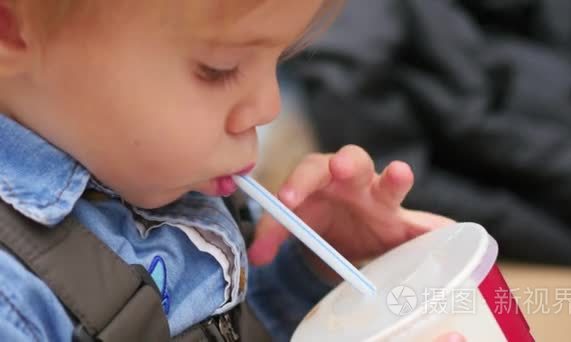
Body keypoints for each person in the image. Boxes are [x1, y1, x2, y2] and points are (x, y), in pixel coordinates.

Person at [0, 1, 462, 341]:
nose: (268, 106)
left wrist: (307, 273)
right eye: (219, 69)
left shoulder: (150, 170)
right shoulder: (13, 301)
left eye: (280, 60)